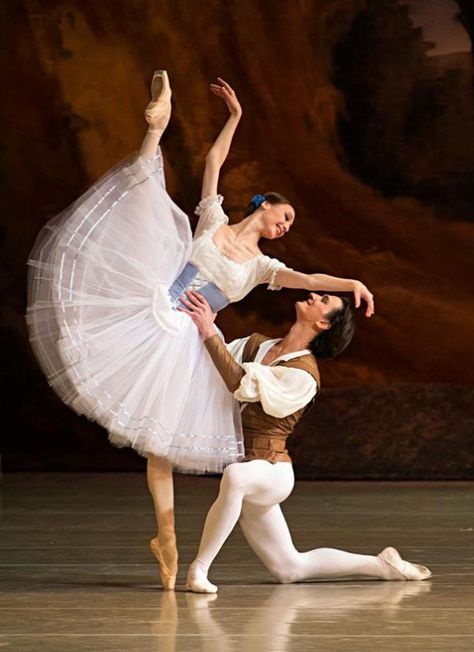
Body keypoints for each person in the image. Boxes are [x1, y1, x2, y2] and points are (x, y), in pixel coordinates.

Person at [26, 72, 375, 590]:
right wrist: (234, 118)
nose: (286, 225)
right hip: (154, 311)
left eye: (290, 225)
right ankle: (156, 127)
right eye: (285, 215)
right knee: (149, 191)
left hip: (186, 336)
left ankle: (166, 541)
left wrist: (351, 282)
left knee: (159, 443)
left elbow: (309, 277)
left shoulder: (261, 267)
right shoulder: (212, 221)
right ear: (263, 205)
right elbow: (213, 163)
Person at [180, 290, 431, 593]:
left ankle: (199, 569)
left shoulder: (304, 376)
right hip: (250, 470)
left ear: (324, 324)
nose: (313, 295)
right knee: (289, 568)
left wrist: (209, 331)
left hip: (272, 472)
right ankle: (382, 565)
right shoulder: (258, 345)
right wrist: (191, 325)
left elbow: (238, 383)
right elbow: (212, 361)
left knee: (236, 476)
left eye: (324, 301)